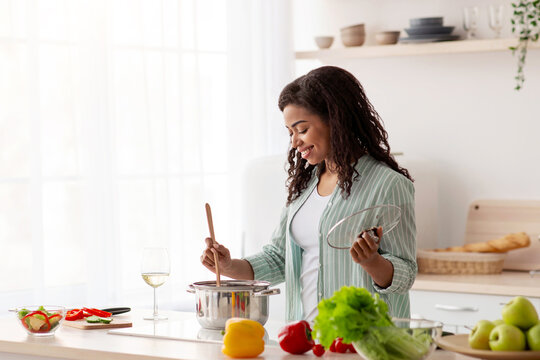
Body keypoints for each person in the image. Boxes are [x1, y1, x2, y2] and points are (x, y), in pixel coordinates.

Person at [201, 65, 417, 322]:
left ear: (336, 119)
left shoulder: (388, 184)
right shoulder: (304, 187)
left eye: (302, 129)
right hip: (306, 339)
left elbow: (406, 272)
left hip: (367, 341)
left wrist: (371, 262)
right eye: (290, 132)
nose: (294, 142)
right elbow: (279, 257)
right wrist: (227, 266)